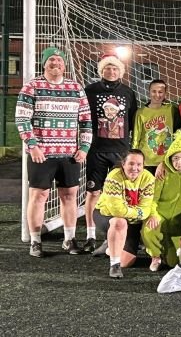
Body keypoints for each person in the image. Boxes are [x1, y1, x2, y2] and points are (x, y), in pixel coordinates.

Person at [15, 46, 92, 257]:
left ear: (64, 64)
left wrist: (84, 148)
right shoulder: (32, 87)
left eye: (59, 60)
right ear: (44, 63)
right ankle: (36, 241)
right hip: (42, 154)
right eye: (51, 60)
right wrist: (33, 146)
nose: (55, 63)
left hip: (69, 154)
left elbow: (86, 121)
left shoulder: (76, 88)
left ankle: (69, 240)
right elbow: (22, 119)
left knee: (70, 197)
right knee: (39, 196)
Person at [84, 53, 137, 253]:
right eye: (107, 68)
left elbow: (131, 121)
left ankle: (124, 234)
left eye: (115, 68)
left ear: (120, 71)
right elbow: (84, 118)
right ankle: (90, 235)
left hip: (120, 151)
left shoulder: (128, 92)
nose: (111, 71)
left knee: (122, 193)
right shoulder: (90, 91)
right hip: (96, 150)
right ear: (101, 70)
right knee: (93, 192)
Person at [94, 149, 155, 278]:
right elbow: (117, 211)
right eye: (131, 164)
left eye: (139, 164)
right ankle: (114, 265)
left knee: (127, 262)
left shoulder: (149, 178)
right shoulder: (114, 176)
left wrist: (131, 211)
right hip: (106, 215)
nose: (135, 168)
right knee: (119, 221)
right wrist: (137, 211)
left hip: (132, 221)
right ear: (123, 164)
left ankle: (109, 247)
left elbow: (146, 210)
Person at [141, 131, 181, 271]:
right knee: (149, 229)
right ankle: (155, 256)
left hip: (178, 222)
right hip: (161, 215)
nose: (179, 162)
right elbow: (153, 198)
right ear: (170, 159)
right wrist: (153, 213)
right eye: (175, 158)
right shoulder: (163, 174)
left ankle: (166, 252)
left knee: (173, 263)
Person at [132, 79, 181, 175]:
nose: (157, 95)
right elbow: (136, 138)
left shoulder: (171, 109)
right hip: (146, 160)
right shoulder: (141, 112)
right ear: (149, 92)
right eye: (154, 91)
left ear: (165, 94)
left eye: (160, 92)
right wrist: (135, 158)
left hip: (165, 160)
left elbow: (177, 131)